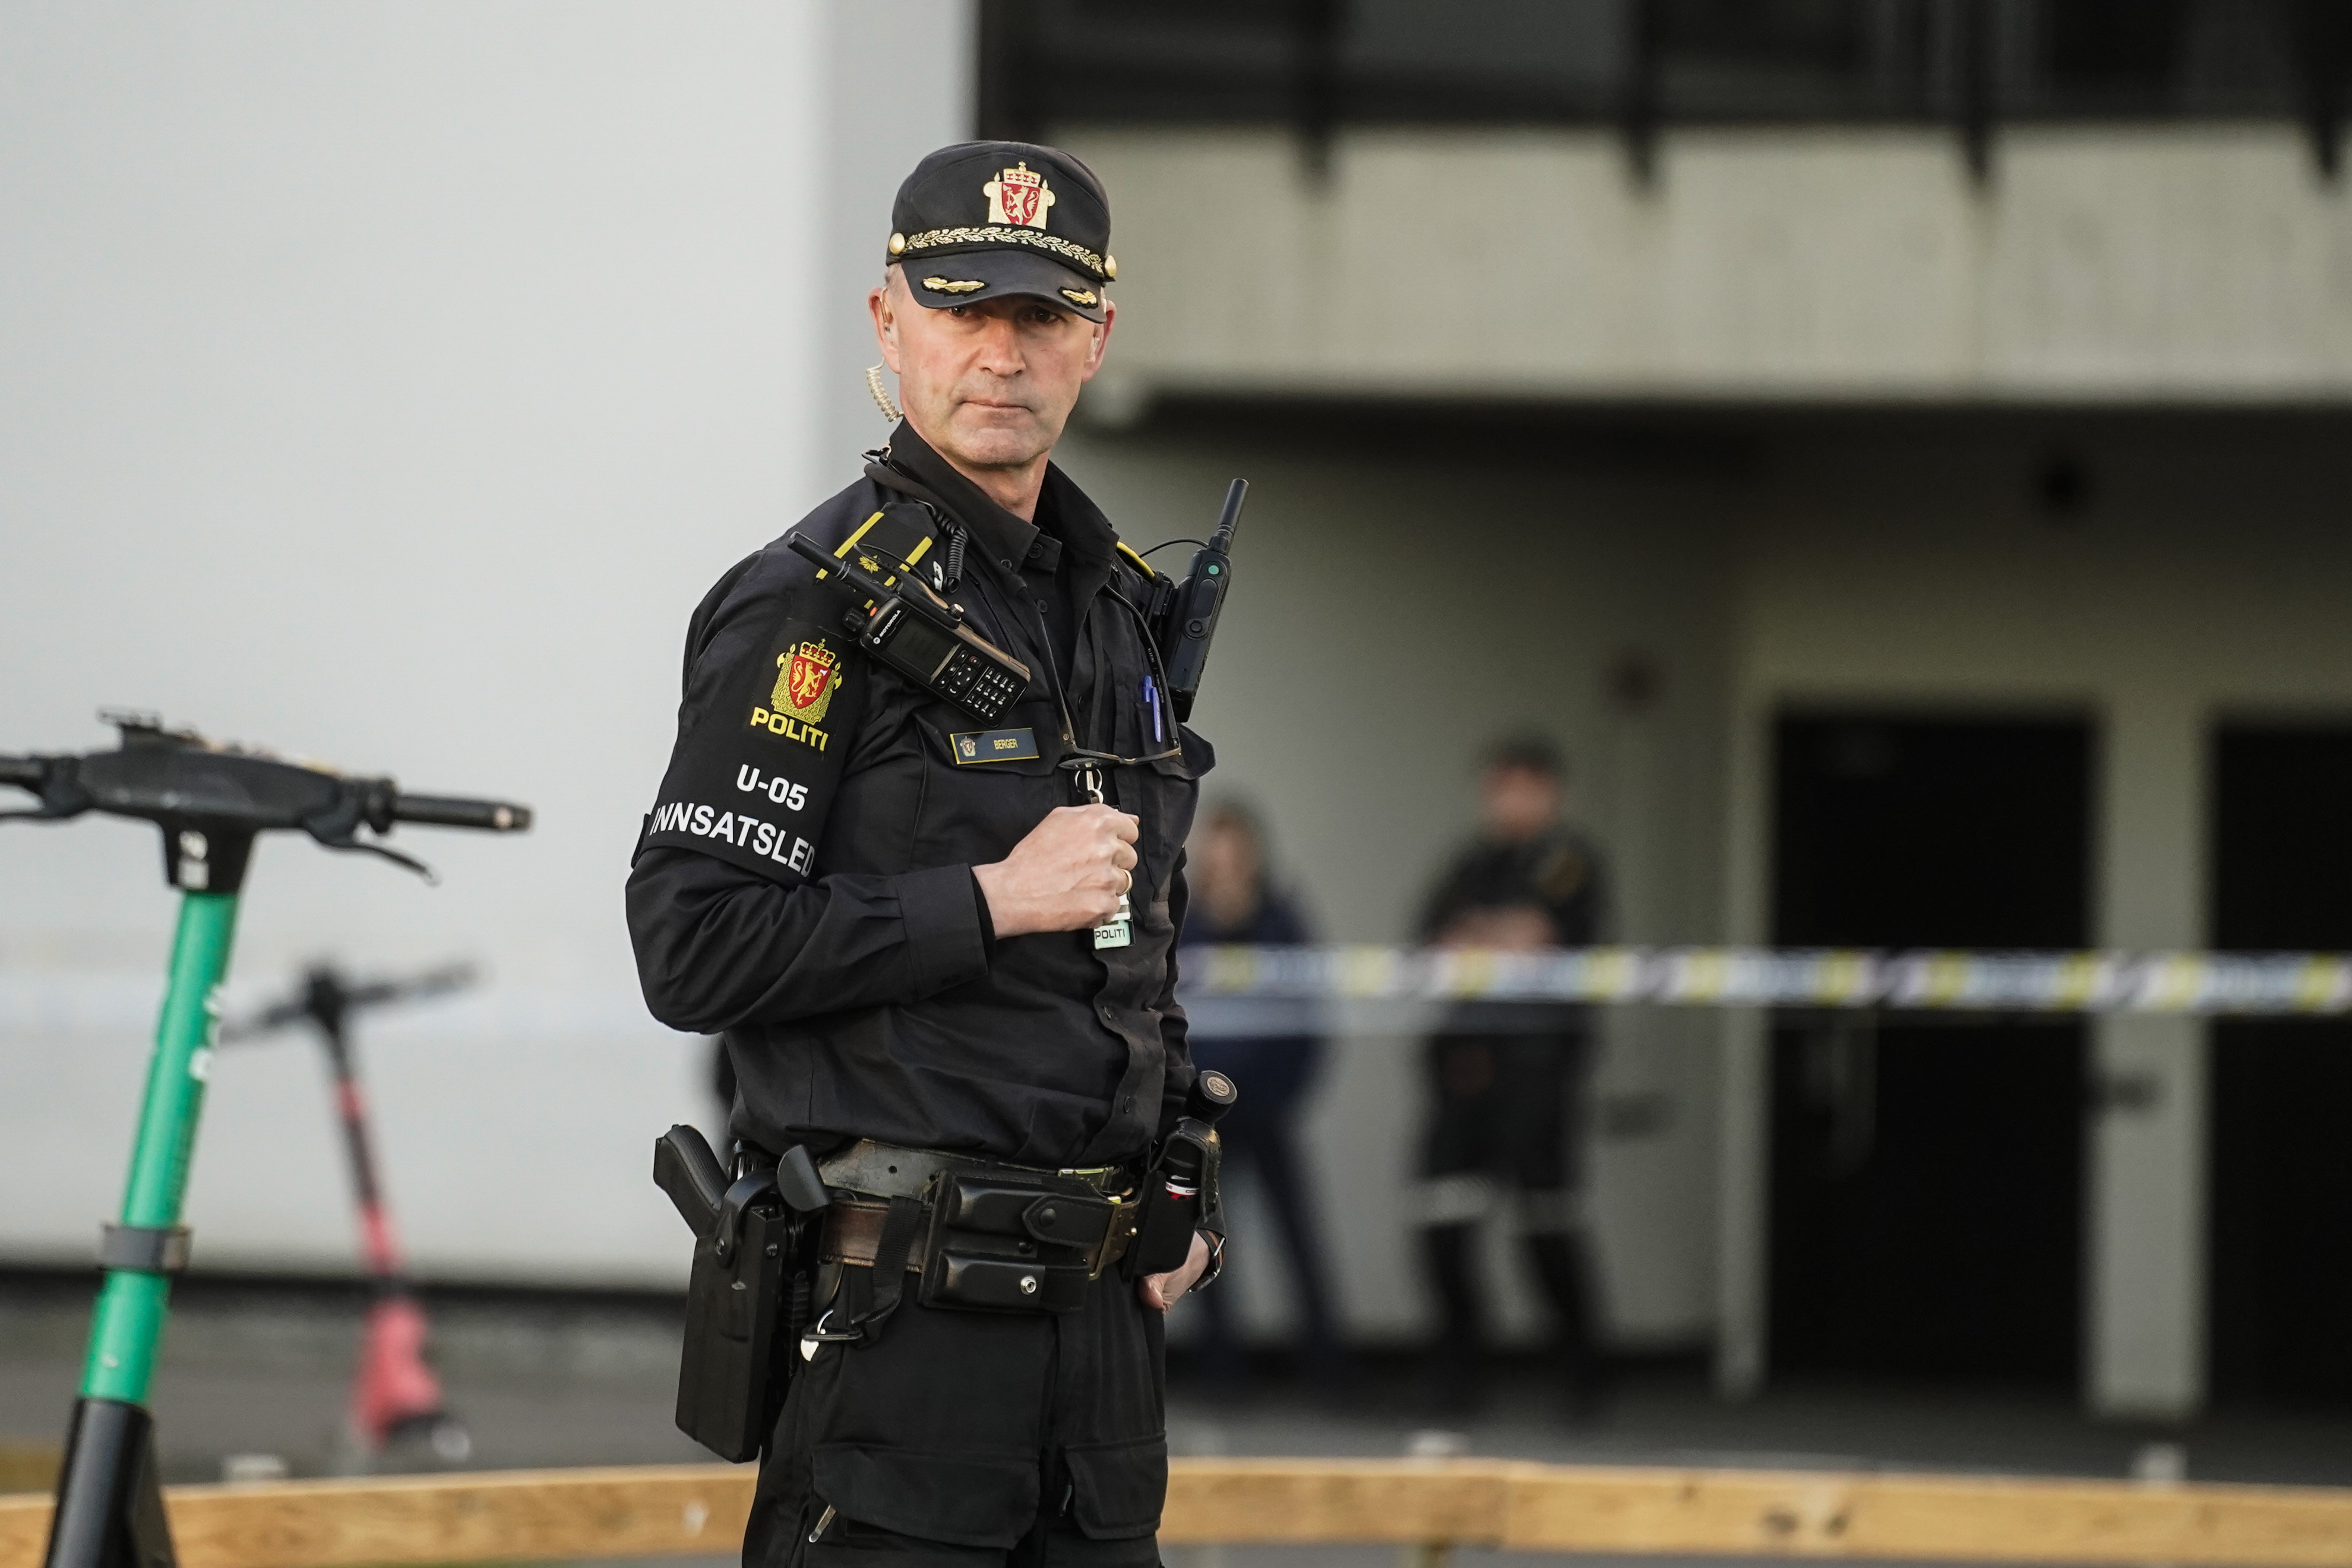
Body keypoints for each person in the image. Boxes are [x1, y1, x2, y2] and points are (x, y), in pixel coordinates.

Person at [627, 141, 1222, 1568]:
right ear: (887, 323)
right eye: (962, 311)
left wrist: (1184, 1169)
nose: (1000, 355)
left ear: (1096, 340)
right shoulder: (810, 605)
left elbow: (1134, 943)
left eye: (1039, 317)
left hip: (1101, 1348)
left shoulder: (1113, 611)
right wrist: (989, 900)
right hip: (899, 1335)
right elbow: (691, 946)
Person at [1411, 734, 1608, 1415]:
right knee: (1444, 1225)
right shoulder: (1467, 863)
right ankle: (1460, 1376)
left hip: (1538, 1076)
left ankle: (1583, 1375)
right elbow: (1433, 944)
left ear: (1550, 793)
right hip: (1463, 1073)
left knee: (1546, 1228)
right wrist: (1500, 938)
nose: (1508, 802)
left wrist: (1484, 936)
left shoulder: (1570, 862)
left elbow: (1543, 937)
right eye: (1498, 788)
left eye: (1523, 788)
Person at [1177, 801, 1341, 1389]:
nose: (1223, 865)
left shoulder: (1281, 920)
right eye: (1214, 853)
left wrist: (1285, 1094)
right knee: (1205, 1234)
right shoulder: (1182, 919)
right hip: (1205, 1112)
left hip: (1268, 1108)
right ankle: (1222, 1366)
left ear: (1252, 855)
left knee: (1296, 1235)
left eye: (1233, 852)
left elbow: (1308, 1016)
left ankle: (1327, 1364)